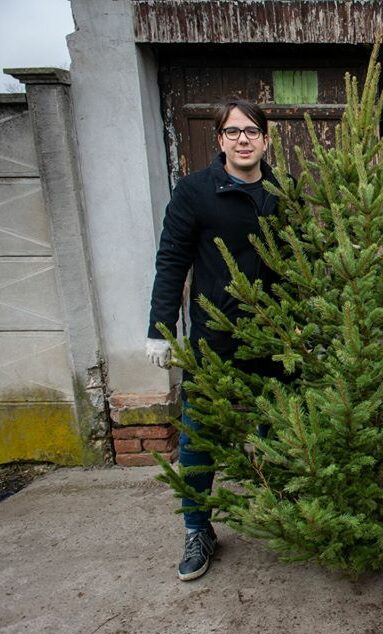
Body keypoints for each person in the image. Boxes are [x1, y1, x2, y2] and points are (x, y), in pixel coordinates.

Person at [146, 98, 282, 580]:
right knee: (200, 434)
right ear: (219, 140)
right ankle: (197, 529)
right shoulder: (195, 192)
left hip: (273, 337)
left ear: (265, 139)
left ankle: (279, 512)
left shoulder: (279, 195)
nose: (242, 139)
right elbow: (172, 262)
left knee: (277, 426)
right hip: (214, 336)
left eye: (251, 131)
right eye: (232, 132)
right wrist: (161, 329)